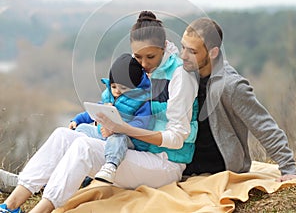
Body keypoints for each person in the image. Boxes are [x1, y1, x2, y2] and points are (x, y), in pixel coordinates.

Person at [0, 11, 198, 213]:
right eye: (138, 57)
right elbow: (116, 101)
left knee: (84, 147)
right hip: (135, 149)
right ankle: (10, 205)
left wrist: (123, 128)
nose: (144, 64)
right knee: (63, 135)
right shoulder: (139, 69)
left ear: (164, 47)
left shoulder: (180, 76)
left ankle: (40, 210)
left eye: (151, 57)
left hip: (164, 162)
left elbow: (177, 139)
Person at [180, 17, 296, 181]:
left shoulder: (232, 86)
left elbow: (263, 125)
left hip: (219, 167)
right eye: (183, 47)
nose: (183, 55)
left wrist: (288, 169)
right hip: (185, 162)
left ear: (213, 52)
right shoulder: (184, 74)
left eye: (192, 51)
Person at [69, 53, 152, 183]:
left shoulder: (141, 101)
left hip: (130, 139)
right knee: (82, 129)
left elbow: (141, 124)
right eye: (114, 86)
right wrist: (77, 120)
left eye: (123, 88)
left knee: (118, 138)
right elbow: (95, 112)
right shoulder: (109, 96)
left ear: (134, 86)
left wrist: (117, 128)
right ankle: (81, 172)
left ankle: (110, 166)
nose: (117, 91)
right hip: (105, 133)